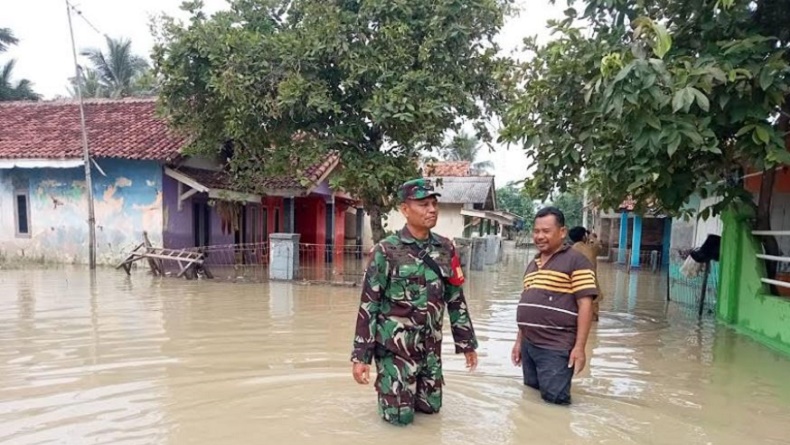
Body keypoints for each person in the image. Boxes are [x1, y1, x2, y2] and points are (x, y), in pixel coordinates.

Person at [350, 178, 479, 426]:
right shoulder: (385, 251)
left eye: (433, 203)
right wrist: (361, 357)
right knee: (399, 422)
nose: (432, 209)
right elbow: (369, 305)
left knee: (431, 414)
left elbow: (455, 299)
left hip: (431, 351)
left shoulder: (446, 248)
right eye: (423, 204)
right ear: (405, 209)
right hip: (395, 352)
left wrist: (467, 343)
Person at [512, 207, 598, 405]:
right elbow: (526, 304)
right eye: (536, 231)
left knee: (555, 404)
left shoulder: (577, 261)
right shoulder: (533, 264)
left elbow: (586, 305)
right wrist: (519, 342)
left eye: (546, 231)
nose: (539, 236)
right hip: (529, 345)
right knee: (531, 400)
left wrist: (579, 347)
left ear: (562, 232)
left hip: (555, 346)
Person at [568, 226, 603, 321]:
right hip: (591, 287)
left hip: (574, 288)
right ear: (584, 237)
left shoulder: (568, 251)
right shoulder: (591, 249)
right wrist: (592, 236)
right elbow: (599, 246)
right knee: (593, 317)